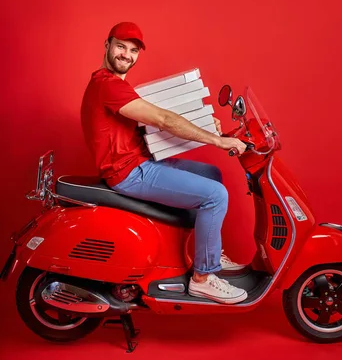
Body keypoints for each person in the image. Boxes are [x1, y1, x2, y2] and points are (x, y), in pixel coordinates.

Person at [81, 22, 248, 304]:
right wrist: (216, 140)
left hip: (141, 162)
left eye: (133, 50)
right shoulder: (107, 86)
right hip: (129, 173)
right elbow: (162, 120)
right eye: (121, 46)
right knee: (216, 195)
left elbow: (150, 127)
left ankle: (209, 251)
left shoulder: (115, 86)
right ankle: (203, 279)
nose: (126, 55)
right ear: (107, 44)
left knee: (212, 174)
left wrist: (206, 123)